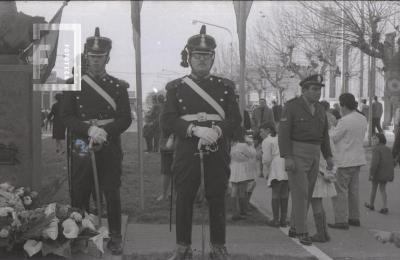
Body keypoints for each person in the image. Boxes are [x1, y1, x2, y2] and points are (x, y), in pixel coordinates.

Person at [161, 25, 241, 260]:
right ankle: (183, 247)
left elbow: (235, 119)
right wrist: (193, 129)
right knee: (184, 197)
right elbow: (167, 119)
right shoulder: (176, 88)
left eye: (207, 56)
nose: (202, 60)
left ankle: (218, 246)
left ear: (213, 58)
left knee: (216, 197)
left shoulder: (225, 87)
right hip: (187, 148)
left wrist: (217, 130)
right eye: (197, 56)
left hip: (217, 148)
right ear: (189, 57)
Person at [60, 27, 132, 255]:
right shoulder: (74, 83)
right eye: (92, 57)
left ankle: (116, 236)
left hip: (109, 143)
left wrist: (105, 131)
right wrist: (89, 129)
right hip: (82, 143)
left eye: (100, 57)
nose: (96, 61)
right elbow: (65, 116)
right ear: (86, 56)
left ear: (107, 58)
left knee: (111, 191)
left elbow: (126, 118)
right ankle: (79, 234)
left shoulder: (118, 86)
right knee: (80, 189)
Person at [278, 74, 333, 246]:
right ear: (304, 90)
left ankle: (294, 227)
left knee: (306, 194)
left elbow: (324, 135)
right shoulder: (292, 107)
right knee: (300, 193)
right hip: (297, 153)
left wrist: (328, 155)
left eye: (319, 90)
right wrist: (287, 156)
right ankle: (302, 231)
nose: (318, 93)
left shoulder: (321, 109)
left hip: (315, 153)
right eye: (314, 89)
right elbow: (283, 134)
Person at [328, 93, 367, 230]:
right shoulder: (362, 118)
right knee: (353, 191)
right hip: (357, 158)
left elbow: (333, 138)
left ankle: (341, 220)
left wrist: (332, 126)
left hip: (344, 159)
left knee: (340, 191)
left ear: (343, 105)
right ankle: (354, 217)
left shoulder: (345, 121)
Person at [310, 101, 337, 242]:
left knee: (315, 202)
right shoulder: (328, 137)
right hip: (324, 172)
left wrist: (321, 170)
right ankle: (324, 233)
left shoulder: (318, 138)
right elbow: (333, 156)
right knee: (318, 202)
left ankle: (321, 233)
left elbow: (321, 156)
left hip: (317, 173)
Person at [260, 122, 288, 228]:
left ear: (269, 130)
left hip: (276, 165)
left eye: (262, 131)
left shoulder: (267, 141)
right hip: (287, 164)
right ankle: (283, 220)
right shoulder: (285, 139)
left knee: (275, 193)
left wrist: (266, 171)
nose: (260, 134)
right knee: (285, 193)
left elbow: (266, 159)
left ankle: (276, 220)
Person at [229, 127, 257, 221]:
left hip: (233, 167)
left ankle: (234, 212)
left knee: (233, 190)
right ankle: (242, 211)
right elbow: (251, 155)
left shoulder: (232, 144)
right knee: (242, 191)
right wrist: (249, 145)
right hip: (241, 169)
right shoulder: (243, 145)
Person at [364, 133, 394, 214]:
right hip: (386, 172)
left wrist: (371, 174)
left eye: (374, 138)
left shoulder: (376, 149)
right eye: (372, 138)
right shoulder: (387, 149)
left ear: (379, 140)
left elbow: (374, 163)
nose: (372, 140)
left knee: (374, 188)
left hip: (378, 172)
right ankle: (385, 206)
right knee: (383, 189)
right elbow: (391, 161)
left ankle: (371, 204)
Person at [157, 94, 175, 202]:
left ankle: (174, 194)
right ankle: (164, 194)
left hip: (178, 142)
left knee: (178, 170)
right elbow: (164, 127)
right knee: (166, 170)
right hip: (168, 142)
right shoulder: (165, 111)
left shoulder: (166, 109)